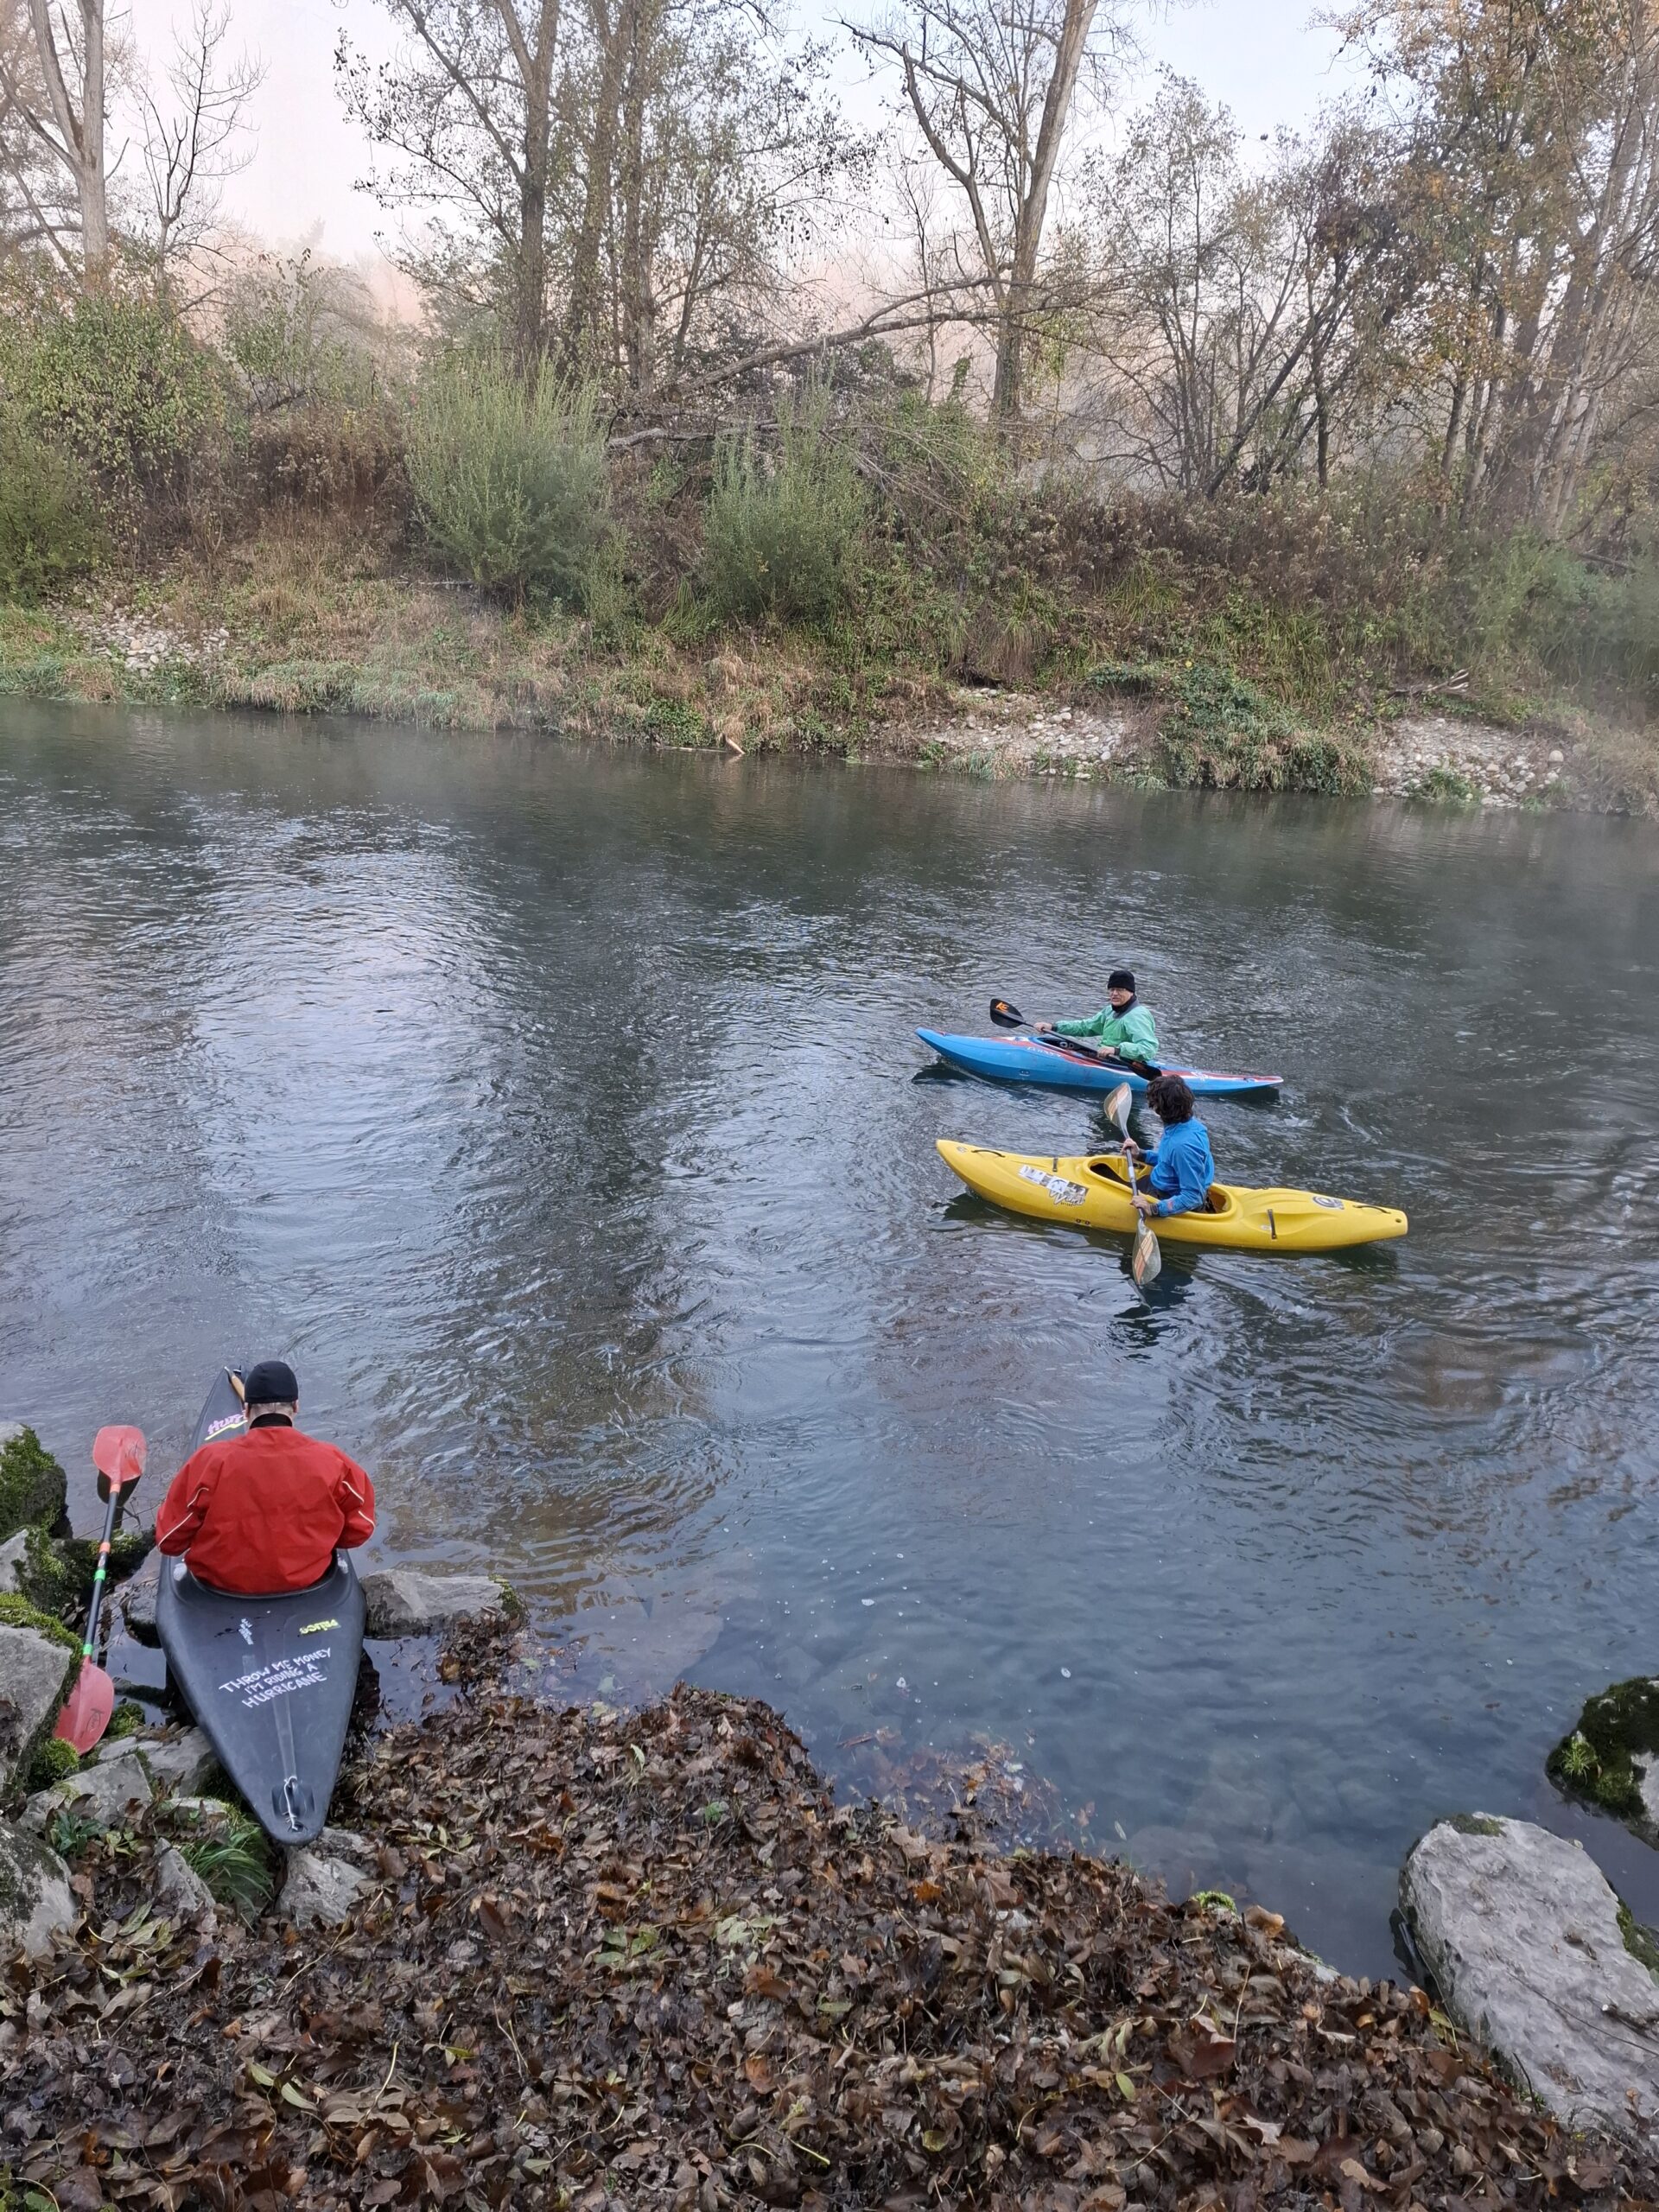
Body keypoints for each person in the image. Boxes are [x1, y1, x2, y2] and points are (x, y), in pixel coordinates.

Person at [156, 1360, 375, 1596]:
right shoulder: (333, 1461)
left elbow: (169, 1539)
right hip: (306, 1581)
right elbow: (362, 1527)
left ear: (247, 1410)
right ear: (296, 1407)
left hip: (220, 1585)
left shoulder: (210, 1461)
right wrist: (322, 1539)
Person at [1123, 1073, 1215, 1218]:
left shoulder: (1183, 1146)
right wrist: (1141, 1154)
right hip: (1159, 1182)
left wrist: (1153, 1209)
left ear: (1160, 1108)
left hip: (1166, 1197)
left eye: (1153, 1104)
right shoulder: (1187, 1126)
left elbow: (1192, 1196)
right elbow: (1169, 1161)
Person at [1038, 969, 1160, 1065]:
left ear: (1131, 992)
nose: (1114, 994)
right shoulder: (1110, 1011)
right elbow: (1085, 1027)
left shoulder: (1137, 1015)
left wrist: (1117, 1050)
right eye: (1112, 989)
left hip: (1122, 1063)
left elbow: (1148, 1048)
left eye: (1120, 990)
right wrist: (1054, 1027)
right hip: (1105, 1058)